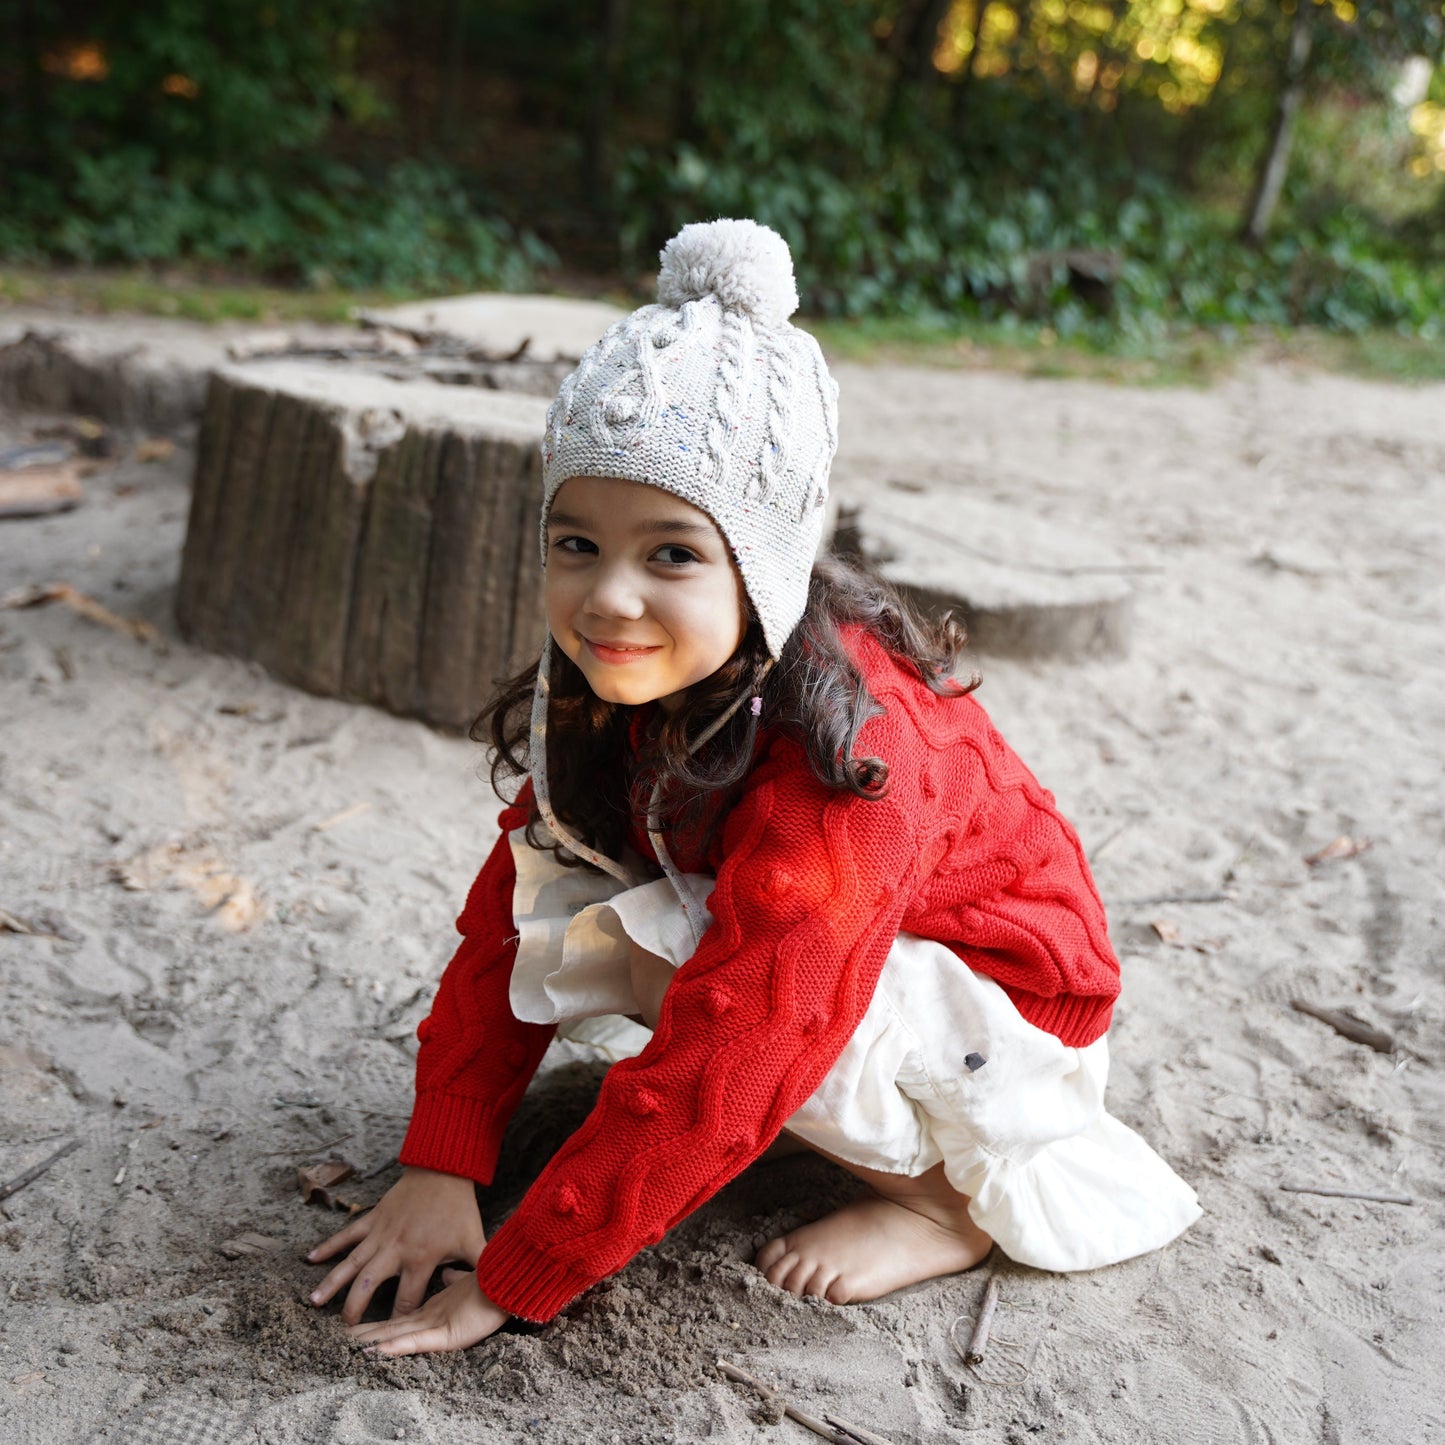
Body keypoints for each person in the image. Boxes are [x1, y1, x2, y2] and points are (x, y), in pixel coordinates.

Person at [307, 219, 1201, 1357]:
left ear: (764, 562)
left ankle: (942, 1206)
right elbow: (515, 906)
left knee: (700, 969)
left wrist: (517, 1271)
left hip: (1005, 1012)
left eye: (672, 553)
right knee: (580, 900)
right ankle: (836, 1130)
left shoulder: (847, 768)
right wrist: (446, 1157)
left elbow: (749, 1037)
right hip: (841, 962)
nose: (607, 599)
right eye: (574, 542)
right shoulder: (640, 673)